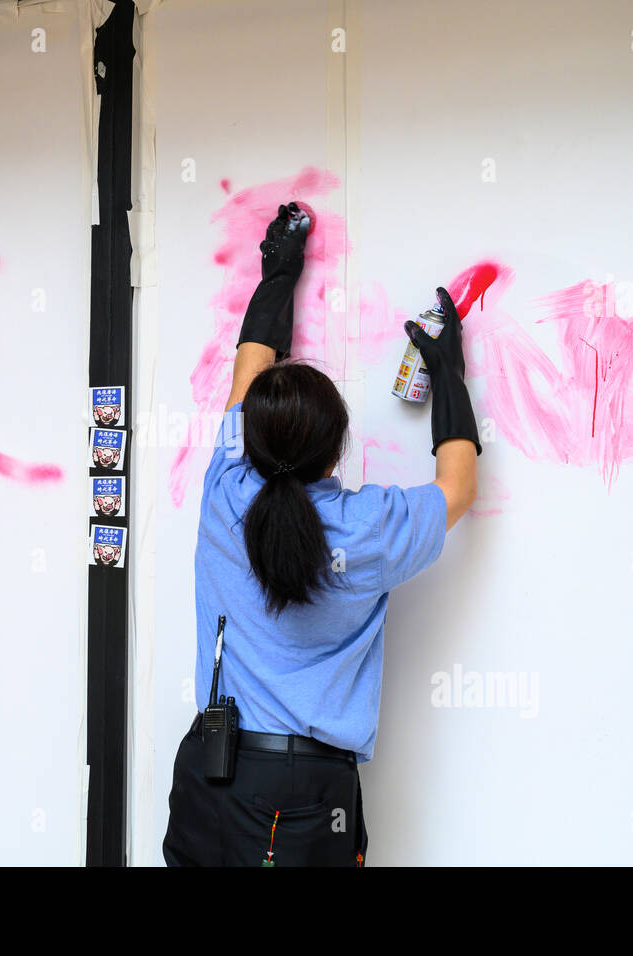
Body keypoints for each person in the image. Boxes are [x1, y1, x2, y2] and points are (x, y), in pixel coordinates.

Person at [162, 202, 480, 866]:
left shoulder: (226, 490)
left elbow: (247, 373)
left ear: (250, 437)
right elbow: (458, 487)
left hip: (217, 776)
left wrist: (279, 273)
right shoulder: (370, 528)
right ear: (337, 453)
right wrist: (446, 370)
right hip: (312, 792)